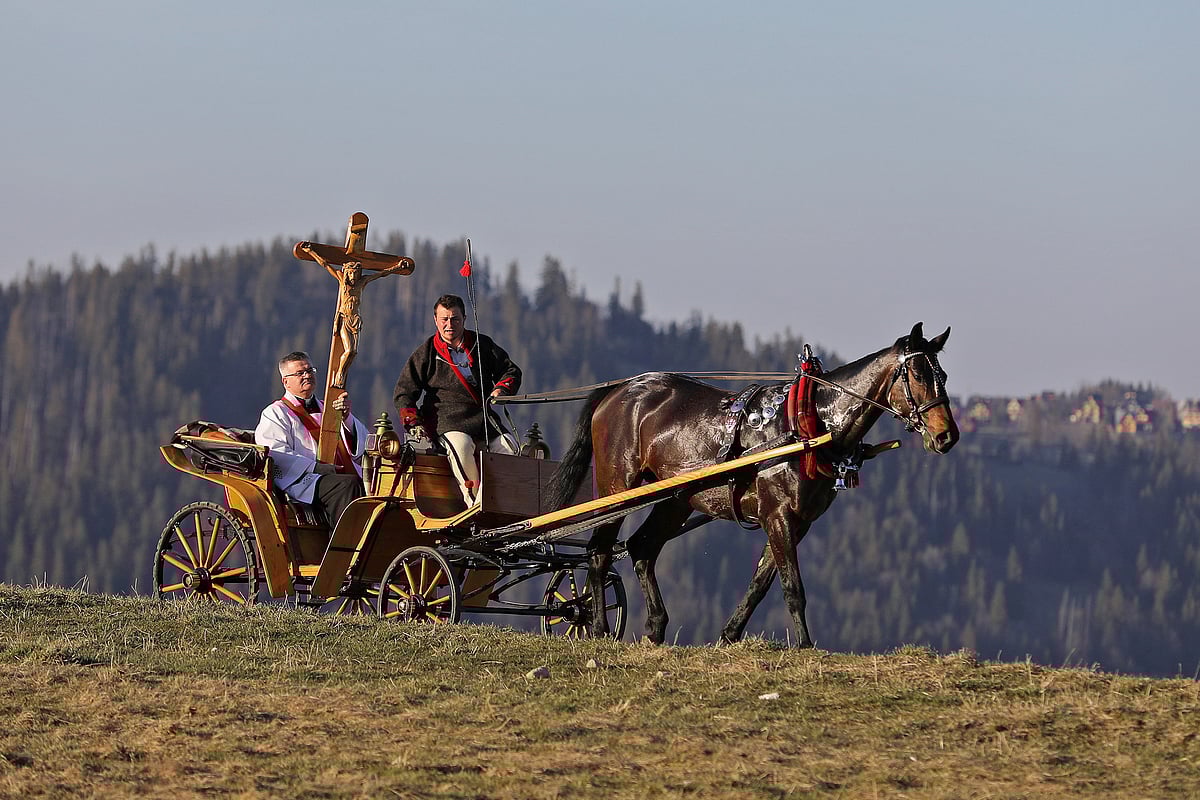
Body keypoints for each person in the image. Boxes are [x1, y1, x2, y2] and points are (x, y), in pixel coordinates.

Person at [393, 294, 522, 504]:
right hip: (447, 421)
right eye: (444, 319)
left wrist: (500, 390)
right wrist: (413, 423)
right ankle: (474, 503)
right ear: (436, 320)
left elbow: (511, 371)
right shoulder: (425, 353)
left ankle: (496, 502)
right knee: (461, 446)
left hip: (483, 421)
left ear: (464, 319)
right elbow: (404, 393)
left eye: (455, 319)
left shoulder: (482, 345)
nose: (449, 324)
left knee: (510, 447)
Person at [255, 351, 370, 530]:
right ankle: (344, 548)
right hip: (304, 480)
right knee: (348, 485)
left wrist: (346, 418)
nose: (307, 375)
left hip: (338, 473)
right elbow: (275, 452)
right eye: (300, 373)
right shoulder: (275, 413)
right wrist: (315, 467)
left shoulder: (329, 407)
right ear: (285, 381)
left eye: (310, 370)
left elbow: (361, 442)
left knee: (381, 488)